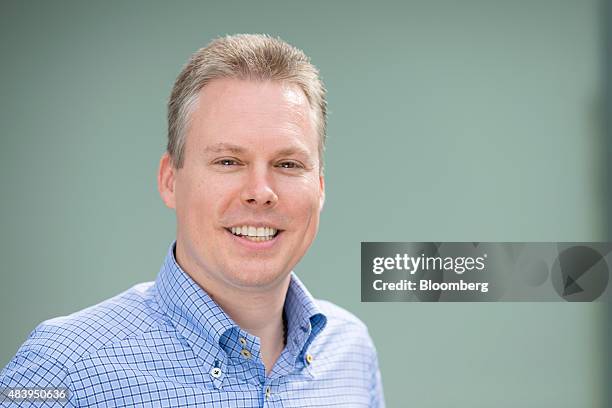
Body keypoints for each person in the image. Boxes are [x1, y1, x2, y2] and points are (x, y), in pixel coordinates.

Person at [0, 34, 384, 407]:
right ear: (170, 180)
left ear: (319, 188)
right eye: (228, 161)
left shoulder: (351, 351)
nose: (261, 191)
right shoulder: (62, 369)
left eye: (288, 164)